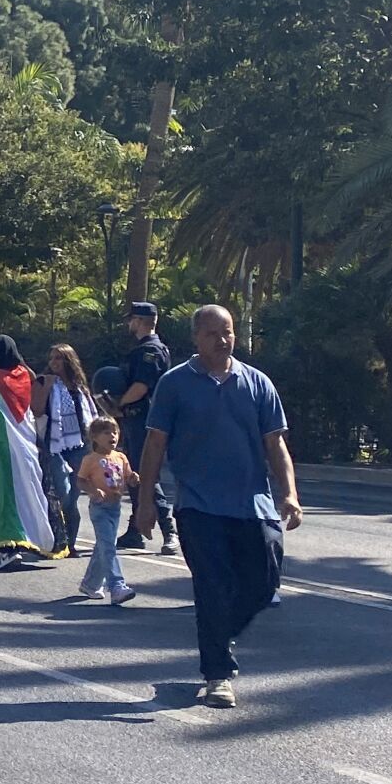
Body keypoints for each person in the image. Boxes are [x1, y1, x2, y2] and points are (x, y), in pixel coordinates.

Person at [133, 304, 300, 709]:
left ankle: (220, 636)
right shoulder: (175, 385)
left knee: (263, 586)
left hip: (253, 504)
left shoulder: (257, 382)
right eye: (212, 333)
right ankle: (217, 675)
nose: (222, 340)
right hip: (198, 505)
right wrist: (145, 503)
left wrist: (289, 493)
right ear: (196, 338)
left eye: (228, 332)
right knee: (211, 588)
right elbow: (155, 444)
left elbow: (275, 442)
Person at [0, 335, 45, 569]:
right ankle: (36, 538)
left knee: (1, 496)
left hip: (0, 450)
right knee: (28, 492)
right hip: (26, 448)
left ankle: (8, 547)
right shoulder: (23, 376)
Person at [115, 301, 177, 554]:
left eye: (132, 319)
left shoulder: (149, 351)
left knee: (144, 474)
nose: (129, 324)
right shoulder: (145, 349)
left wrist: (118, 403)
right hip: (136, 419)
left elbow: (141, 386)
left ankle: (168, 529)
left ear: (140, 321)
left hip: (144, 419)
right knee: (133, 473)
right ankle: (135, 530)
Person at [33, 343, 96, 557]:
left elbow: (90, 415)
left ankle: (70, 543)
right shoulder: (45, 381)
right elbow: (36, 409)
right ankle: (55, 537)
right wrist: (46, 387)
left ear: (69, 361)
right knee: (63, 493)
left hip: (80, 445)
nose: (54, 363)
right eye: (51, 358)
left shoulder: (79, 386)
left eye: (59, 358)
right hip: (54, 444)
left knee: (75, 495)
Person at [75, 417, 137, 606]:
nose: (113, 436)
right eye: (107, 432)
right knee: (108, 546)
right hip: (99, 508)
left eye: (115, 432)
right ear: (94, 437)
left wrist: (134, 478)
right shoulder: (90, 460)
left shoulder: (120, 457)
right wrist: (93, 491)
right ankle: (116, 586)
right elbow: (81, 480)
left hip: (115, 508)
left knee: (103, 546)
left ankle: (90, 584)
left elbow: (128, 476)